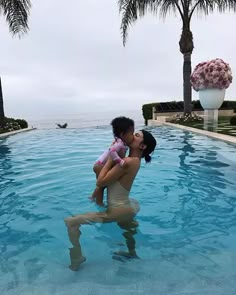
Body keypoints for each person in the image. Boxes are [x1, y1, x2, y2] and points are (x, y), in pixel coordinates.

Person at [65, 129, 157, 271]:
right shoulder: (134, 161)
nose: (132, 135)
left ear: (142, 146)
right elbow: (109, 178)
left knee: (71, 222)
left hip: (118, 209)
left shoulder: (127, 162)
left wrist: (110, 156)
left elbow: (102, 181)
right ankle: (132, 253)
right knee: (127, 226)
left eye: (137, 135)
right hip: (127, 206)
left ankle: (77, 257)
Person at [90, 116, 134, 206]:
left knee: (102, 185)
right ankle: (99, 204)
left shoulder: (122, 142)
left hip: (101, 164)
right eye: (131, 133)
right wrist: (120, 161)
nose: (133, 136)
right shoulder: (119, 144)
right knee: (101, 186)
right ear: (122, 134)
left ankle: (92, 197)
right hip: (100, 165)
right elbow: (112, 150)